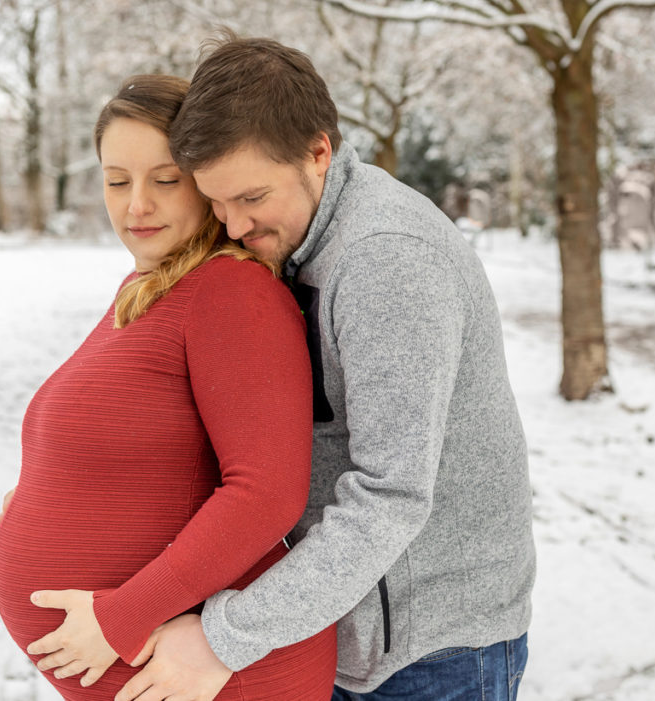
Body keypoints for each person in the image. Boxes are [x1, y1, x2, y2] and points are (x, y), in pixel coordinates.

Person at [38, 34, 536, 701]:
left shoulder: (387, 263)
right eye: (215, 201)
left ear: (319, 151)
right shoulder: (294, 235)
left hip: (426, 652)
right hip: (332, 619)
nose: (234, 224)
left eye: (250, 197)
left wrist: (223, 636)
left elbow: (390, 497)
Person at [0, 74, 337, 700]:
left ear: (208, 180)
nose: (136, 205)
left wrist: (121, 618)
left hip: (218, 672)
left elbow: (266, 495)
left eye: (165, 179)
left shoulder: (232, 292)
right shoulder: (150, 287)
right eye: (116, 180)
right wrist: (54, 485)